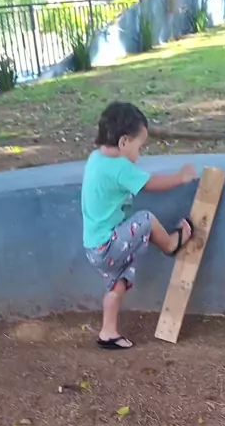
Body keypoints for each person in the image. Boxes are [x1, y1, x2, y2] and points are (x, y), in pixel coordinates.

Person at [82, 101, 197, 349]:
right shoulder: (119, 167)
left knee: (119, 282)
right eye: (139, 147)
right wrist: (180, 178)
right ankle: (170, 245)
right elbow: (149, 184)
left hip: (94, 248)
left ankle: (108, 332)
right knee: (145, 218)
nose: (140, 154)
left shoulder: (95, 158)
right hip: (109, 244)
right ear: (124, 142)